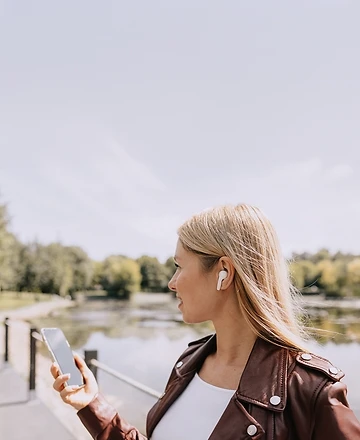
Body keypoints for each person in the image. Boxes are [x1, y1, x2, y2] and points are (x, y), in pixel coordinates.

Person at [50, 204, 360, 439]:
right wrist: (92, 405)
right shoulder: (189, 362)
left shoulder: (312, 391)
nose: (172, 283)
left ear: (223, 272)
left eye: (178, 266)